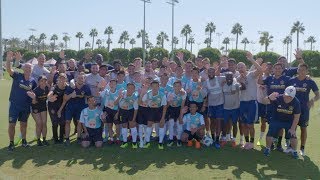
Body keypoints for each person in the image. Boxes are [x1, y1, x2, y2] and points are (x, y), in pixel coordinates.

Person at [6, 51, 37, 151]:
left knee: (24, 124)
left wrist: (34, 97)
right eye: (26, 67)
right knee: (12, 124)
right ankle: (11, 143)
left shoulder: (33, 81)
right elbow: (9, 70)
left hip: (25, 106)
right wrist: (9, 60)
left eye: (30, 68)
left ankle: (24, 141)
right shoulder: (17, 75)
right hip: (14, 105)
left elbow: (34, 94)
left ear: (32, 70)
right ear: (23, 69)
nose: (28, 69)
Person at [288, 63, 319, 156]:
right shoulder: (291, 80)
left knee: (303, 128)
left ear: (307, 71)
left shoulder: (310, 81)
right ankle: (291, 146)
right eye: (299, 69)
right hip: (292, 108)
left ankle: (302, 148)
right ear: (297, 70)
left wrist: (312, 100)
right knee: (292, 127)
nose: (301, 71)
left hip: (304, 109)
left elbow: (318, 95)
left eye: (303, 70)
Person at [263, 87, 301, 159]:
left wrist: (293, 129)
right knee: (270, 133)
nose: (288, 98)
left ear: (294, 96)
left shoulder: (296, 102)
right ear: (284, 93)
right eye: (286, 95)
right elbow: (264, 101)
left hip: (289, 122)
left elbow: (296, 117)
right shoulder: (277, 98)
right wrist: (269, 97)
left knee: (293, 135)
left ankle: (294, 151)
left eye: (290, 97)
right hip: (276, 120)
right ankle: (267, 149)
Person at [236, 52, 262, 150]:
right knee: (243, 124)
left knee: (250, 124)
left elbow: (260, 70)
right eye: (238, 68)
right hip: (242, 103)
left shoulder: (251, 75)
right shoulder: (238, 78)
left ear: (245, 67)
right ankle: (247, 142)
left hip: (251, 103)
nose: (240, 69)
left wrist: (252, 59)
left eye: (241, 67)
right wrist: (240, 82)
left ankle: (251, 143)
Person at [62, 72, 91, 145]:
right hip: (70, 106)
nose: (80, 79)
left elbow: (89, 96)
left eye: (82, 78)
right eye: (79, 78)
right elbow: (65, 98)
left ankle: (78, 138)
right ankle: (67, 139)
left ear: (84, 79)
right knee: (67, 122)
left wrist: (83, 96)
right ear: (76, 79)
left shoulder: (86, 87)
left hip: (81, 106)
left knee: (79, 122)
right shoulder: (71, 87)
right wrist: (71, 95)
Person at [202, 67, 225, 149]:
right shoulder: (205, 83)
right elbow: (204, 95)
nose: (211, 74)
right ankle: (212, 137)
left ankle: (217, 140)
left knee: (218, 122)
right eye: (209, 72)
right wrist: (200, 90)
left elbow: (230, 78)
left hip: (220, 104)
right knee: (212, 122)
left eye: (212, 72)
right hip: (211, 106)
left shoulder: (220, 79)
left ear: (215, 72)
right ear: (207, 73)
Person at [142, 80, 168, 149]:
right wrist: (147, 102)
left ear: (158, 87)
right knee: (149, 125)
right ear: (151, 87)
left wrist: (163, 117)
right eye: (153, 86)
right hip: (151, 110)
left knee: (161, 125)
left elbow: (165, 107)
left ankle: (160, 142)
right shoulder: (148, 94)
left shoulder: (162, 95)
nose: (154, 88)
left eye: (156, 86)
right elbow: (142, 101)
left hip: (159, 110)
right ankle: (147, 142)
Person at [221, 72, 242, 148]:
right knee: (225, 124)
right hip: (226, 108)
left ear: (233, 77)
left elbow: (244, 88)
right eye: (227, 77)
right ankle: (225, 139)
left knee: (234, 124)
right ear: (225, 78)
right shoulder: (224, 85)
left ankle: (234, 140)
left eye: (230, 77)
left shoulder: (236, 85)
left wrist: (240, 83)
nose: (229, 78)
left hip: (235, 108)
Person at [47, 73, 68, 144]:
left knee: (62, 123)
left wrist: (59, 111)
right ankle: (56, 139)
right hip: (52, 107)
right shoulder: (54, 86)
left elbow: (65, 101)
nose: (62, 80)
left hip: (62, 106)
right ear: (58, 79)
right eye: (60, 78)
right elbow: (50, 93)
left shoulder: (67, 88)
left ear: (66, 79)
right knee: (55, 123)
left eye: (63, 78)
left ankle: (61, 138)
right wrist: (49, 97)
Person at [29, 75, 50, 146]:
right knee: (39, 123)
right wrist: (34, 98)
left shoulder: (47, 89)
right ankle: (38, 140)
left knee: (44, 123)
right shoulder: (35, 91)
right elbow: (33, 102)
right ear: (39, 82)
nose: (44, 82)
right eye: (42, 81)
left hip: (43, 107)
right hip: (35, 108)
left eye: (45, 81)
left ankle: (44, 139)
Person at [100, 79, 122, 145]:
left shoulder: (118, 92)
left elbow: (119, 105)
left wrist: (118, 113)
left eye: (114, 84)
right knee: (109, 125)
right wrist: (101, 88)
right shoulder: (106, 92)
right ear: (109, 84)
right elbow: (99, 95)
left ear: (116, 85)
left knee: (117, 126)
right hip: (108, 111)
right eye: (111, 83)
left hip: (116, 111)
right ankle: (111, 139)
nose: (112, 85)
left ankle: (118, 138)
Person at [166, 80, 187, 147]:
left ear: (181, 86)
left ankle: (178, 139)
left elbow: (182, 105)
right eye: (175, 86)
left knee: (179, 124)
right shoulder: (170, 93)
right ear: (173, 87)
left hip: (179, 109)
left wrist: (180, 116)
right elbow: (167, 105)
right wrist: (170, 101)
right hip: (171, 109)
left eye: (179, 86)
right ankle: (171, 139)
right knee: (171, 123)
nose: (177, 87)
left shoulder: (184, 93)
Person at [118, 83, 139, 148]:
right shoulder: (122, 93)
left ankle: (134, 142)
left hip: (131, 111)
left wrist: (134, 118)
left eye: (132, 88)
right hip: (122, 111)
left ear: (134, 89)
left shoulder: (135, 96)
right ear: (126, 88)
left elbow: (136, 109)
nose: (130, 89)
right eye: (129, 88)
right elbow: (117, 103)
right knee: (124, 125)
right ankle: (124, 142)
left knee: (132, 125)